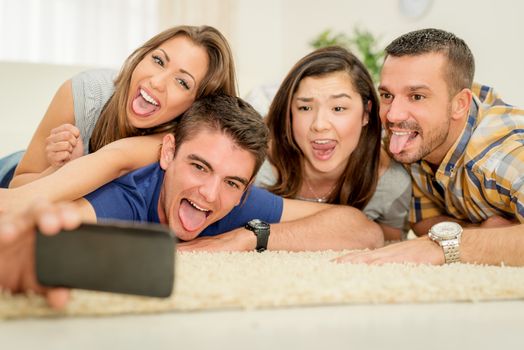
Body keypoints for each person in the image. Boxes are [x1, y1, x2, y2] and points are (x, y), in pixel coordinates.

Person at [0, 95, 382, 305]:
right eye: (199, 167)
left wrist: (246, 238)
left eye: (232, 182)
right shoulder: (124, 196)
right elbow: (28, 228)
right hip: (17, 171)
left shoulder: (237, 200)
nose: (210, 195)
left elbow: (362, 229)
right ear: (167, 154)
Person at [337, 28, 524, 266]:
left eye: (416, 96)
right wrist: (482, 232)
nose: (393, 115)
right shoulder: (414, 139)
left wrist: (448, 246)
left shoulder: (502, 155)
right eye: (387, 95)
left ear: (460, 104)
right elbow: (425, 219)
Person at [0, 24, 236, 202]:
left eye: (182, 82)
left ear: (195, 105)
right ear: (141, 57)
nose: (157, 82)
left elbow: (116, 163)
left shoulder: (179, 141)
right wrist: (57, 170)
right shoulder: (84, 93)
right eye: (158, 60)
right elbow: (16, 188)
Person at [255, 46, 411, 241]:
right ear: (290, 113)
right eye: (305, 107)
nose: (319, 125)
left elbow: (387, 247)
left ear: (366, 113)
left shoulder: (390, 182)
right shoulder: (258, 163)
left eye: (338, 108)